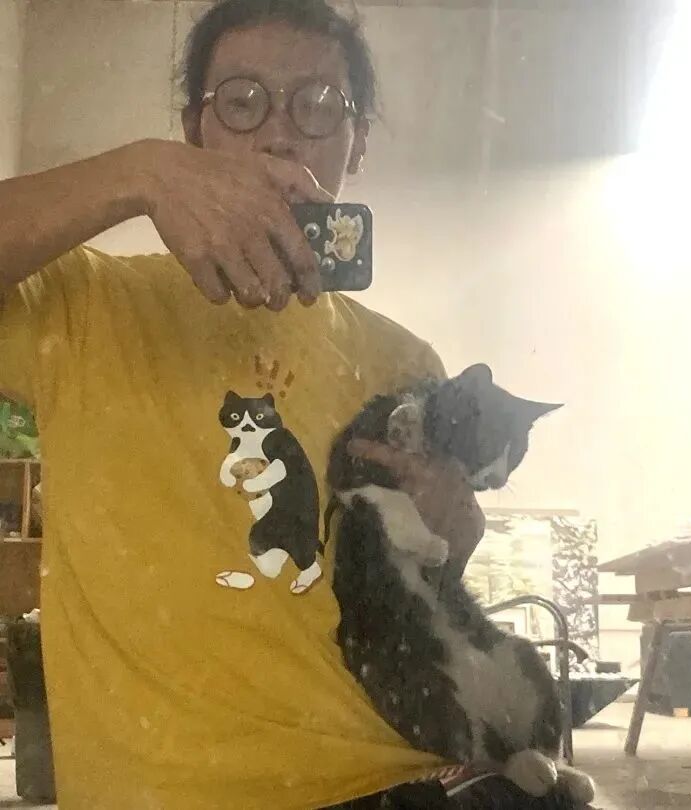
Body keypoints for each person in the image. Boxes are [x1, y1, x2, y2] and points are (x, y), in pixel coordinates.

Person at [0, 1, 489, 808]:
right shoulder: (84, 307)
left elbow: (409, 604)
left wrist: (456, 538)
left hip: (400, 777)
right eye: (240, 102)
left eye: (318, 105)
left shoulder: (406, 363)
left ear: (358, 141)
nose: (278, 135)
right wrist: (135, 175)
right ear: (194, 132)